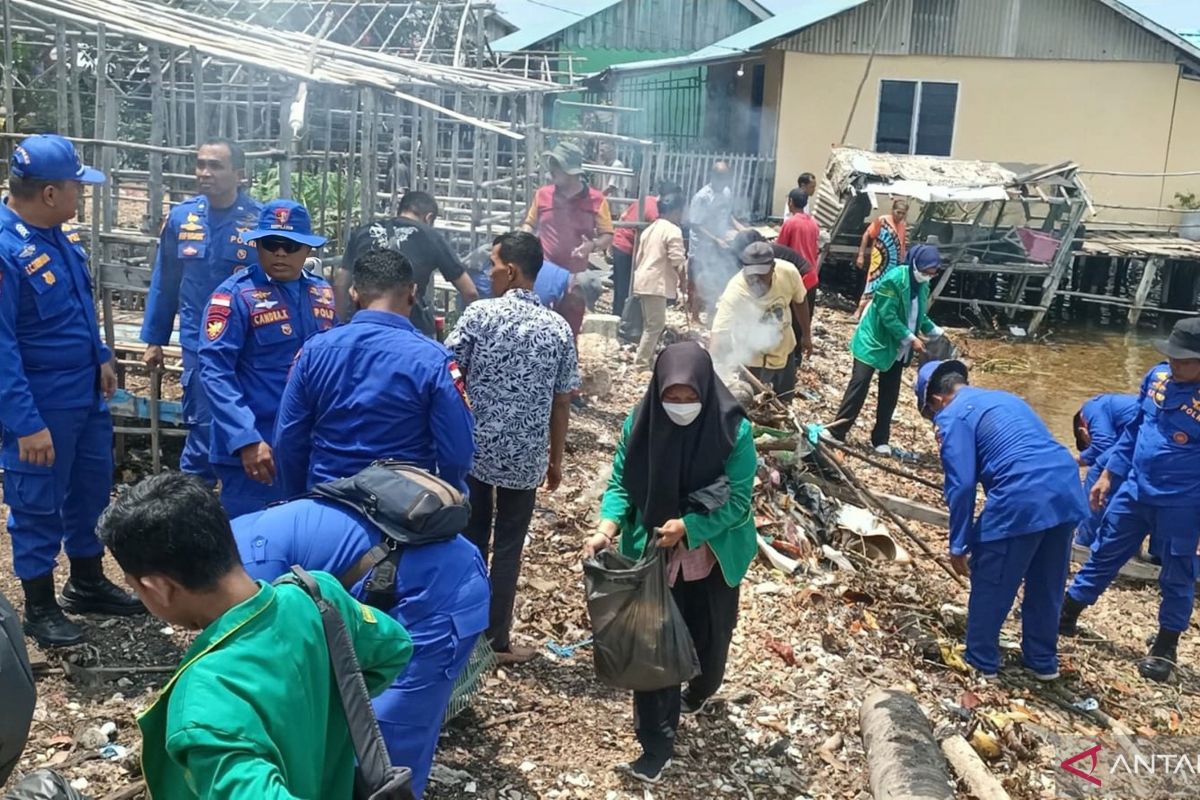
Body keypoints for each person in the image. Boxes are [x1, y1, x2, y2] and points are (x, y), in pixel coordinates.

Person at [96, 472, 413, 798]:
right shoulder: (317, 596)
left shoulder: (206, 700)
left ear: (159, 588)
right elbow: (396, 648)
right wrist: (328, 708)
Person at [231, 489, 489, 798]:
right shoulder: (227, 540)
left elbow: (275, 683)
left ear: (162, 587)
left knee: (383, 745)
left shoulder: (248, 579)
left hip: (440, 592)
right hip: (384, 583)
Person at [583, 342, 757, 784]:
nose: (680, 406)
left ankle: (700, 690)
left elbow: (737, 503)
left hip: (713, 555)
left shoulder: (733, 432)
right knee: (654, 650)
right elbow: (622, 482)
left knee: (710, 643)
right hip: (655, 554)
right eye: (671, 397)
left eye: (689, 397)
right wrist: (606, 528)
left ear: (705, 389)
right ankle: (655, 747)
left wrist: (690, 527)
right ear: (657, 390)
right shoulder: (640, 425)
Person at [0, 134, 144, 648]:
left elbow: (76, 308)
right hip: (40, 401)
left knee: (89, 490)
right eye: (76, 187)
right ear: (50, 194)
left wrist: (101, 356)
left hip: (84, 392)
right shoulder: (6, 248)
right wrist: (26, 423)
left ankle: (85, 582)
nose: (82, 197)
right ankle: (39, 606)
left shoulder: (58, 236)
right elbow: (2, 346)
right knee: (36, 500)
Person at [446, 232, 580, 664]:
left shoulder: (479, 316)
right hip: (524, 459)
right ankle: (496, 640)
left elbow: (446, 372)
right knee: (508, 548)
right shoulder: (558, 328)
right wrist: (555, 459)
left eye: (493, 264)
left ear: (512, 271)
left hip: (474, 453)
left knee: (470, 542)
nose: (488, 272)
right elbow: (562, 402)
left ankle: (460, 635)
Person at [917, 360, 1087, 680]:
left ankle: (981, 660)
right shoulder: (1005, 397)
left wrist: (958, 543)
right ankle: (1042, 661)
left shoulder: (952, 415)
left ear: (937, 400)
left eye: (931, 415)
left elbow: (962, 485)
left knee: (993, 573)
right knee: (1046, 579)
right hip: (1064, 486)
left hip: (1023, 492)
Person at [1060, 317, 1200, 682]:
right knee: (1106, 550)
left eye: (1185, 361)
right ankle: (1068, 611)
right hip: (1136, 490)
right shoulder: (1158, 379)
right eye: (1172, 357)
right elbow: (1135, 429)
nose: (1175, 365)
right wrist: (1108, 474)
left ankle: (1166, 645)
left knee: (1177, 571)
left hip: (1184, 502)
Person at [274, 248, 475, 497]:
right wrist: (449, 496)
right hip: (405, 512)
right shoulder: (433, 360)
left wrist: (299, 498)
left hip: (326, 499)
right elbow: (458, 451)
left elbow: (287, 439)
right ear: (412, 293)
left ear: (354, 294)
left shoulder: (313, 352)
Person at [198, 199, 336, 518]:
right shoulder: (234, 296)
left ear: (307, 250)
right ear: (258, 246)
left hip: (308, 448)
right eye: (271, 244)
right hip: (257, 452)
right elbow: (215, 372)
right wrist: (245, 438)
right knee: (253, 549)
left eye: (290, 245)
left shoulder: (322, 294)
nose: (280, 253)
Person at [140, 139, 262, 482]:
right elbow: (165, 282)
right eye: (201, 164)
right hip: (199, 345)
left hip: (249, 346)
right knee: (203, 430)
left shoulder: (259, 222)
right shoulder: (182, 218)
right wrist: (155, 340)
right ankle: (192, 515)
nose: (205, 173)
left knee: (248, 428)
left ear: (239, 174)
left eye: (216, 166)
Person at [829, 243, 943, 454]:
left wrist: (934, 330)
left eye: (932, 274)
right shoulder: (894, 280)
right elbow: (886, 313)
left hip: (898, 347)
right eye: (926, 272)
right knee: (859, 385)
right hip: (874, 341)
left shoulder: (922, 285)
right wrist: (911, 338)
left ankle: (881, 439)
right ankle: (837, 431)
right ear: (915, 264)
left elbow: (917, 313)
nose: (928, 277)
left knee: (890, 392)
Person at [336, 190, 479, 332]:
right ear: (428, 218)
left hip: (362, 324)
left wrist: (339, 326)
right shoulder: (431, 237)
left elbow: (340, 284)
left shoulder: (363, 232)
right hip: (410, 327)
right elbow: (470, 292)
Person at [521, 141, 614, 337]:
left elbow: (607, 236)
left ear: (571, 172)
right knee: (537, 330)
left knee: (569, 333)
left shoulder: (597, 200)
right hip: (543, 276)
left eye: (557, 165)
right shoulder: (542, 194)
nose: (551, 170)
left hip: (575, 282)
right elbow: (529, 223)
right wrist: (525, 237)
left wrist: (593, 245)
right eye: (552, 163)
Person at [710, 242, 809, 400]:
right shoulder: (736, 291)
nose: (756, 280)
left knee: (784, 400)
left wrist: (806, 335)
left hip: (785, 349)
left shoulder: (788, 272)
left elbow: (800, 301)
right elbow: (719, 333)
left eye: (762, 274)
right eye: (752, 275)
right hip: (753, 358)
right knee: (755, 404)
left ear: (773, 267)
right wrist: (712, 368)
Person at [1071, 393, 1139, 549]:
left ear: (1083, 431)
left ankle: (1085, 541)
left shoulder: (1091, 409)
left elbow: (1103, 445)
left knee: (1097, 474)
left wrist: (1076, 460)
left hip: (1148, 434)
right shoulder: (1113, 409)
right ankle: (1155, 552)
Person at [631, 192, 687, 371]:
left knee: (650, 324)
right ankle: (641, 364)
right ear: (676, 211)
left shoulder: (650, 229)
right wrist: (684, 281)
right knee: (655, 326)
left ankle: (646, 360)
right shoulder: (673, 230)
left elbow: (639, 258)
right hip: (656, 283)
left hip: (643, 280)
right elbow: (678, 261)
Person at [688, 162, 745, 321]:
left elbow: (728, 215)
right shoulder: (702, 197)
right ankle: (695, 315)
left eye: (726, 177)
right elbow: (696, 224)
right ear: (712, 176)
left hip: (721, 243)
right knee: (702, 279)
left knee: (718, 278)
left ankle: (712, 315)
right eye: (721, 177)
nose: (724, 181)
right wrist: (715, 239)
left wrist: (740, 229)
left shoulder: (726, 192)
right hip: (703, 246)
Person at [855, 197, 910, 317]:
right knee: (872, 284)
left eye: (903, 213)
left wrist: (902, 259)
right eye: (898, 212)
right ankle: (859, 311)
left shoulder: (902, 225)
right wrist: (861, 255)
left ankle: (879, 313)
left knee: (889, 287)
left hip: (894, 263)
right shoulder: (882, 220)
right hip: (879, 261)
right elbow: (866, 235)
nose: (900, 215)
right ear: (892, 210)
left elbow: (902, 243)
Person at [775, 188, 821, 300]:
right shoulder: (814, 223)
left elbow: (779, 249)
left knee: (792, 315)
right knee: (806, 314)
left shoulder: (790, 223)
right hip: (811, 275)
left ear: (790, 201)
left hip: (796, 276)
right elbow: (816, 249)